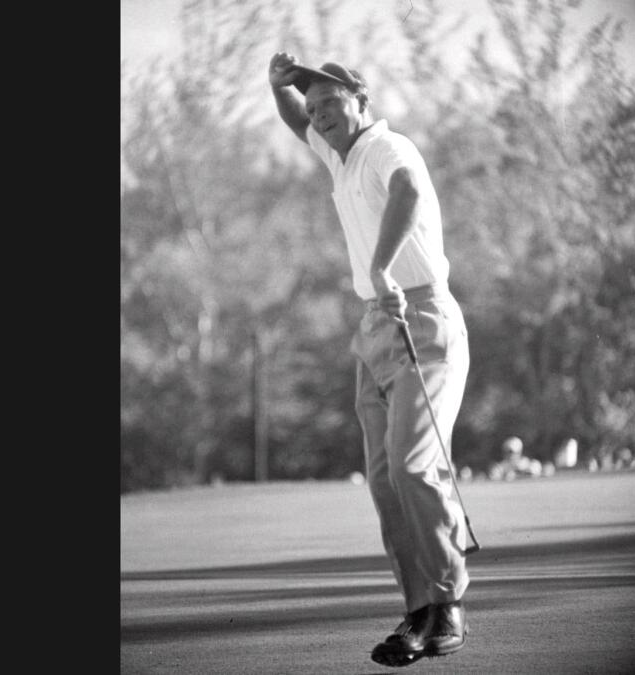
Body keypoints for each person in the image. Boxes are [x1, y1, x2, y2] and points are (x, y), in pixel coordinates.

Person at [268, 52, 472, 667]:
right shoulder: (339, 153)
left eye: (331, 102)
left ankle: (449, 603)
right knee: (385, 482)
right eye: (315, 105)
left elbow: (407, 191)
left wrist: (382, 266)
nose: (320, 114)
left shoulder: (388, 148)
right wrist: (279, 87)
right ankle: (418, 613)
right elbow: (292, 118)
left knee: (413, 467)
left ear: (361, 100)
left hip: (423, 321)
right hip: (374, 328)